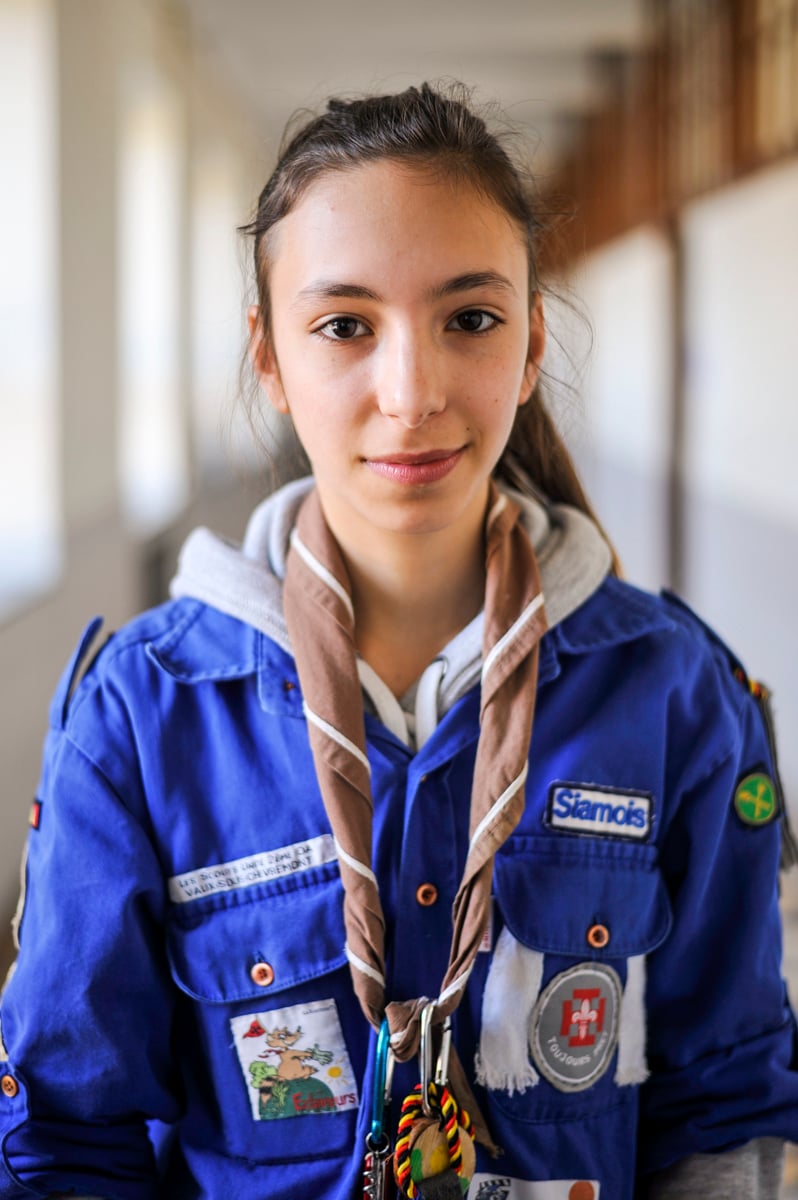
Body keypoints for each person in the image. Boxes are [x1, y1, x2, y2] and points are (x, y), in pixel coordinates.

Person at [0, 82, 796, 1200]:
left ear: (528, 350)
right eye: (344, 326)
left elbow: (726, 1113)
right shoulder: (141, 716)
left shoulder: (673, 697)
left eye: (470, 319)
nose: (411, 392)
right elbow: (68, 1142)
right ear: (269, 358)